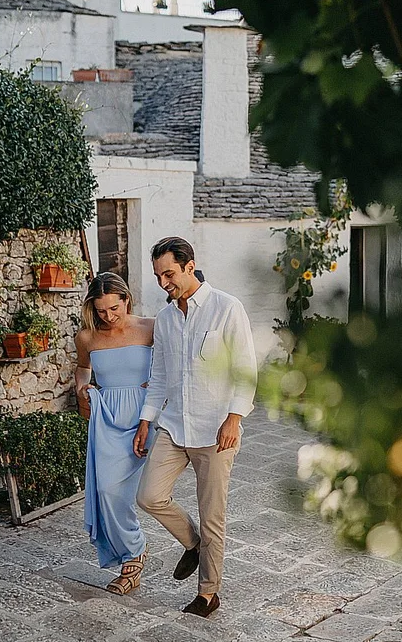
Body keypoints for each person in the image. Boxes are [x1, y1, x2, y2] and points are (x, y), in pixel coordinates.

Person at [134, 237, 257, 618]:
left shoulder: (226, 308)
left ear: (190, 266)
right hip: (173, 426)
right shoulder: (167, 318)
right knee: (149, 496)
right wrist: (145, 422)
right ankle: (192, 543)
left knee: (213, 515)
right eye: (157, 276)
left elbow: (246, 367)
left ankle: (208, 593)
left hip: (216, 429)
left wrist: (234, 418)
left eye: (168, 273)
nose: (163, 282)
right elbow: (158, 375)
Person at [74, 272, 157, 595]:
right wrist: (83, 388)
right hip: (107, 418)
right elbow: (83, 369)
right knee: (108, 492)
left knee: (149, 493)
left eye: (114, 308)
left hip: (147, 416)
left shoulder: (151, 327)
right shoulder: (87, 337)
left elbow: (171, 362)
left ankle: (194, 545)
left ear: (126, 300)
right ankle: (134, 552)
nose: (108, 317)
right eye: (101, 311)